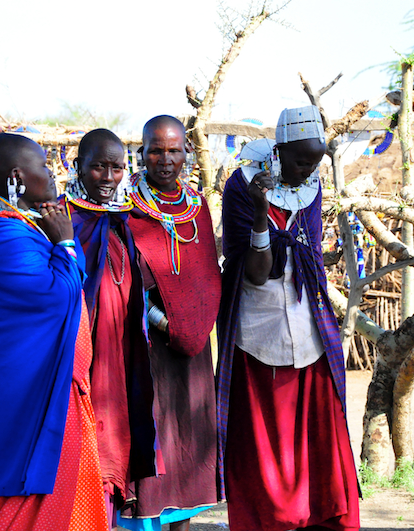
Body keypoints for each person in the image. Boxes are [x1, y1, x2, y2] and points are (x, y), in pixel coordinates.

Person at [216, 105, 360, 530]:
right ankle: (275, 518)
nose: (309, 168)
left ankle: (317, 518)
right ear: (277, 151)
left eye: (316, 160)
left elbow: (309, 251)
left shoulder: (312, 186)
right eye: (301, 159)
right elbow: (255, 273)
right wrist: (262, 212)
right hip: (259, 333)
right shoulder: (242, 187)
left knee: (317, 439)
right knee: (268, 442)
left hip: (309, 326)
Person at [0, 132, 107, 531]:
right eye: (43, 165)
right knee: (31, 483)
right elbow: (57, 295)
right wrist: (64, 242)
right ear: (17, 177)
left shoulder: (20, 228)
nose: (53, 172)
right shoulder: (3, 237)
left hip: (58, 386)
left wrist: (58, 241)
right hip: (30, 391)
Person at [118, 116, 221, 531]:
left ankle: (182, 522)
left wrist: (189, 322)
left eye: (174, 150)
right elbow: (120, 280)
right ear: (141, 154)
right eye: (156, 150)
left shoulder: (198, 209)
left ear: (186, 154)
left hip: (192, 351)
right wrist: (160, 319)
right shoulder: (126, 209)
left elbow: (207, 276)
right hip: (144, 344)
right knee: (153, 431)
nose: (165, 159)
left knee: (187, 439)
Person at [63, 128, 157, 529]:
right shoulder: (62, 219)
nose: (107, 176)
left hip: (121, 356)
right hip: (79, 357)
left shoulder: (128, 219)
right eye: (98, 166)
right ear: (77, 165)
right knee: (82, 447)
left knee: (115, 441)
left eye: (116, 167)